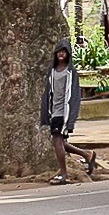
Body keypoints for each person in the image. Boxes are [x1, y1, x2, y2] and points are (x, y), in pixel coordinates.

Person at [40, 40, 96, 185]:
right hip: (54, 111)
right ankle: (87, 154)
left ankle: (64, 174)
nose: (61, 54)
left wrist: (71, 118)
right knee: (59, 141)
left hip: (64, 112)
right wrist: (45, 113)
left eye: (64, 52)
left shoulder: (70, 72)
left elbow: (75, 95)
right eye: (59, 51)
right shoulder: (52, 71)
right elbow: (48, 93)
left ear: (68, 54)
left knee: (57, 140)